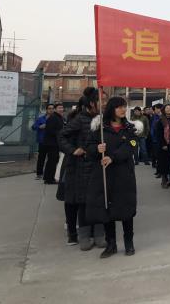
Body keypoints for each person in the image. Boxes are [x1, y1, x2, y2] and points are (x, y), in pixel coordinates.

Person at [85, 97, 138, 258]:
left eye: (124, 107)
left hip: (124, 174)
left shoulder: (129, 128)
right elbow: (88, 147)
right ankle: (111, 244)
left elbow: (132, 146)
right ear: (111, 109)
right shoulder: (100, 128)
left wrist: (113, 157)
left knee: (126, 209)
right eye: (119, 107)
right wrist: (97, 149)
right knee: (107, 209)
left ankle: (129, 243)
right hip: (105, 174)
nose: (123, 110)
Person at [58, 88, 105, 249]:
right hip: (81, 167)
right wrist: (73, 150)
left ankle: (98, 234)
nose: (103, 103)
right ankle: (82, 235)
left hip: (99, 165)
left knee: (98, 200)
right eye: (101, 101)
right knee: (82, 202)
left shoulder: (102, 119)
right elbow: (62, 136)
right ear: (92, 103)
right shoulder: (80, 119)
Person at [155, 104, 170, 188]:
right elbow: (159, 134)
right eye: (167, 108)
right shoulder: (161, 120)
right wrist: (163, 144)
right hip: (164, 144)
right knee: (164, 162)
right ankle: (164, 180)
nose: (168, 109)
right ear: (164, 110)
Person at [43, 103, 65, 184]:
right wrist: (60, 133)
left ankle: (48, 177)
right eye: (59, 108)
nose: (61, 109)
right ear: (55, 109)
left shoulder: (59, 117)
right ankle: (49, 179)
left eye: (62, 108)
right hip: (52, 143)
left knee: (53, 160)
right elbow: (50, 130)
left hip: (55, 142)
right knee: (52, 161)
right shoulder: (53, 117)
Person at [32, 104, 53, 180]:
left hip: (52, 142)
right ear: (47, 110)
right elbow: (33, 127)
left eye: (52, 108)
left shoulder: (56, 119)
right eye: (49, 108)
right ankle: (39, 174)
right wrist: (39, 127)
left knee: (51, 159)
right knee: (41, 158)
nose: (51, 110)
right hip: (42, 141)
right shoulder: (41, 119)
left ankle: (49, 174)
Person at [150, 104, 162, 175]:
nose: (156, 110)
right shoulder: (153, 117)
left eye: (158, 109)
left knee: (159, 155)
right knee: (155, 153)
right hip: (154, 138)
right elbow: (152, 127)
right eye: (156, 109)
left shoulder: (162, 117)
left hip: (160, 139)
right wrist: (152, 135)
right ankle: (157, 168)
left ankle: (160, 171)